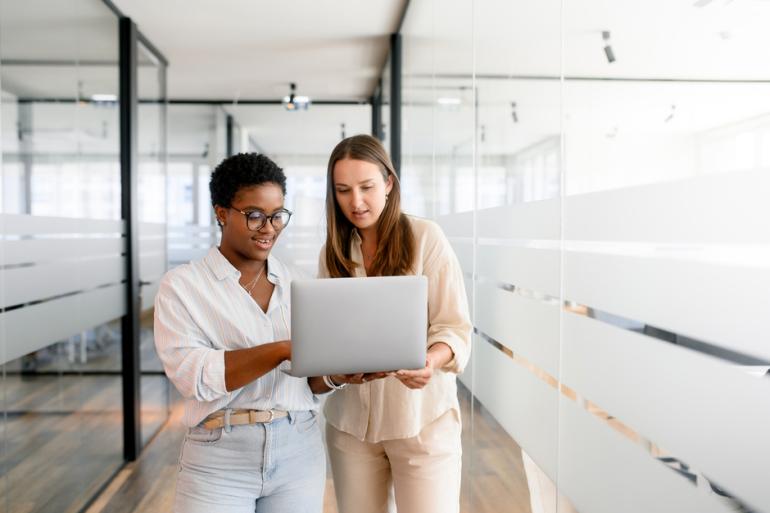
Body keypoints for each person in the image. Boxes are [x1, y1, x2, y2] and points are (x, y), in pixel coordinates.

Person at [154, 153, 324, 513]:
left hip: (299, 449)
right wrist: (281, 349)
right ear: (221, 213)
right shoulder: (182, 287)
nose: (269, 228)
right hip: (219, 456)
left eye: (277, 215)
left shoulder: (299, 284)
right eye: (254, 215)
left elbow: (311, 381)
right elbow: (194, 377)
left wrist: (339, 372)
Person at [310, 134, 472, 513]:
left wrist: (429, 362)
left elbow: (454, 327)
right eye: (343, 190)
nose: (356, 202)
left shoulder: (425, 238)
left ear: (388, 183)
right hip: (352, 426)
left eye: (366, 187)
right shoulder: (333, 252)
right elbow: (328, 334)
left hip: (422, 421)